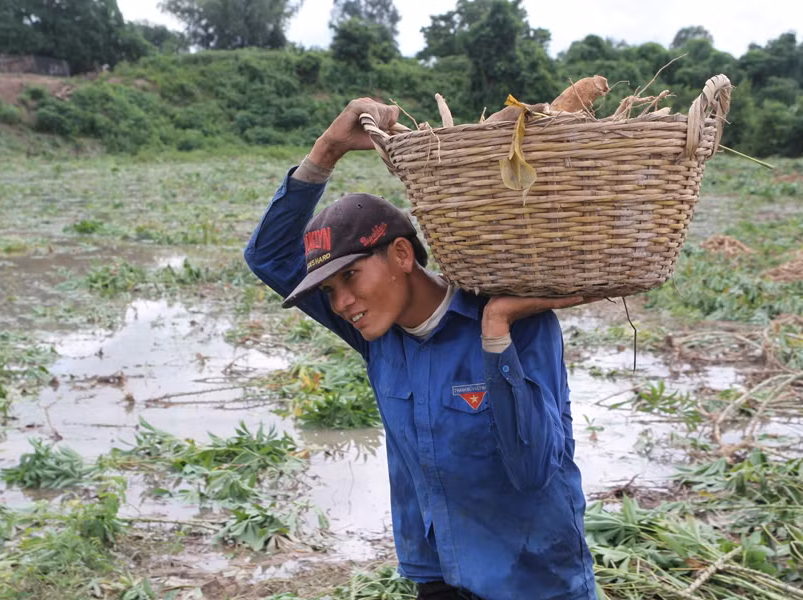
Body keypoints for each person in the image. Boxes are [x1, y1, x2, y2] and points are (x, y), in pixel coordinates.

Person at [244, 98, 598, 600]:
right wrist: (329, 148)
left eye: (350, 276)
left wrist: (495, 332)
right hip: (438, 574)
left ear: (402, 255)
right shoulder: (377, 337)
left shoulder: (521, 323)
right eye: (328, 291)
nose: (342, 303)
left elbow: (534, 470)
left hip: (535, 578)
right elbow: (268, 256)